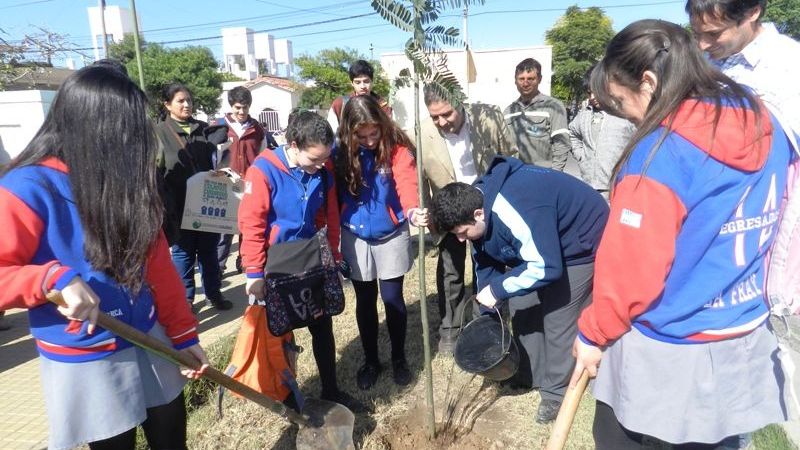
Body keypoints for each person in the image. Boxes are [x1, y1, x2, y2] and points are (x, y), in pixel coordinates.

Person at [570, 20, 792, 449]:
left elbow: (630, 270)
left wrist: (592, 334)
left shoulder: (663, 154)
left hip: (672, 352)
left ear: (648, 82)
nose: (629, 116)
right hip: (741, 334)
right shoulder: (764, 120)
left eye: (621, 100)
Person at [0, 64, 208, 450]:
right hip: (87, 350)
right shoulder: (27, 187)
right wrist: (50, 280)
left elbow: (158, 265)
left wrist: (182, 334)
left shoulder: (123, 178)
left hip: (147, 333)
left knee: (172, 436)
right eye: (127, 129)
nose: (136, 140)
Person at [429, 155, 608, 424]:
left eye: (463, 232)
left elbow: (547, 267)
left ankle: (555, 394)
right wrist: (489, 302)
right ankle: (528, 374)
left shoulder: (514, 208)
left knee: (557, 318)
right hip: (541, 241)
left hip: (579, 243)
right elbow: (485, 262)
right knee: (522, 306)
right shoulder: (474, 209)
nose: (460, 239)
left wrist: (499, 289)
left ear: (479, 214)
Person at [239, 110, 363, 411]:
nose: (321, 165)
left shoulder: (322, 170)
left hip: (309, 255)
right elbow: (252, 224)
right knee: (280, 330)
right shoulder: (263, 171)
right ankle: (287, 396)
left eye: (325, 159)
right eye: (314, 160)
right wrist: (254, 273)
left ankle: (331, 388)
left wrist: (332, 254)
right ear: (293, 145)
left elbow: (327, 214)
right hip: (276, 262)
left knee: (321, 325)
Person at [334, 94, 427, 389]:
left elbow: (406, 183)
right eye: (362, 136)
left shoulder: (397, 149)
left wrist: (412, 211)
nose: (370, 140)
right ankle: (371, 359)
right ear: (349, 131)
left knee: (392, 298)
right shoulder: (339, 153)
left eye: (374, 133)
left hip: (392, 232)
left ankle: (399, 357)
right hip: (355, 234)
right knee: (364, 300)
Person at [420, 85, 516, 353]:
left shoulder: (488, 118)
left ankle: (484, 321)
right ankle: (450, 328)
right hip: (448, 212)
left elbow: (509, 158)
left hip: (485, 209)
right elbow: (421, 181)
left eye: (447, 114)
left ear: (459, 103)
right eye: (435, 117)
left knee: (486, 265)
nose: (441, 122)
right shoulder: (422, 132)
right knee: (450, 272)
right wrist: (429, 214)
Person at [155, 83, 232, 311]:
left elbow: (218, 159)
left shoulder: (203, 129)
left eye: (189, 100)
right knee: (183, 254)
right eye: (180, 101)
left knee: (209, 252)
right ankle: (186, 300)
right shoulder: (159, 132)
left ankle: (214, 294)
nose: (187, 104)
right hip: (177, 206)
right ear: (167, 104)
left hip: (206, 203)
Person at [687, 0, 800, 135]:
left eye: (714, 34)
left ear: (752, 13)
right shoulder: (704, 61)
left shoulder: (789, 64)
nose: (702, 45)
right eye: (696, 34)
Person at [216, 86, 266, 276]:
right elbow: (214, 156)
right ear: (231, 106)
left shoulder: (257, 128)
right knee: (224, 231)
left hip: (250, 186)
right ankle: (218, 267)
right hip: (226, 186)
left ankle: (244, 261)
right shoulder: (220, 127)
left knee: (248, 227)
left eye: (245, 107)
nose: (241, 112)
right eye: (237, 107)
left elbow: (262, 155)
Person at [569, 65, 636, 200]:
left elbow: (641, 141)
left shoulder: (625, 114)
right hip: (588, 185)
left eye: (596, 91)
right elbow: (572, 133)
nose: (593, 97)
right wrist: (581, 156)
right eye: (589, 93)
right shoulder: (584, 114)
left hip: (617, 187)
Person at [503, 58, 571, 170]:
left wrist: (554, 175)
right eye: (521, 79)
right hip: (515, 175)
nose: (525, 83)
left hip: (543, 175)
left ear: (539, 79)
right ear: (515, 81)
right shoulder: (508, 112)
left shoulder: (554, 107)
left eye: (530, 79)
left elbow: (562, 144)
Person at [327, 59, 392, 132]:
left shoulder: (381, 105)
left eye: (366, 81)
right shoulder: (340, 104)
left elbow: (388, 132)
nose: (363, 86)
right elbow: (332, 134)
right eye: (358, 82)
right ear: (352, 83)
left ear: (372, 81)